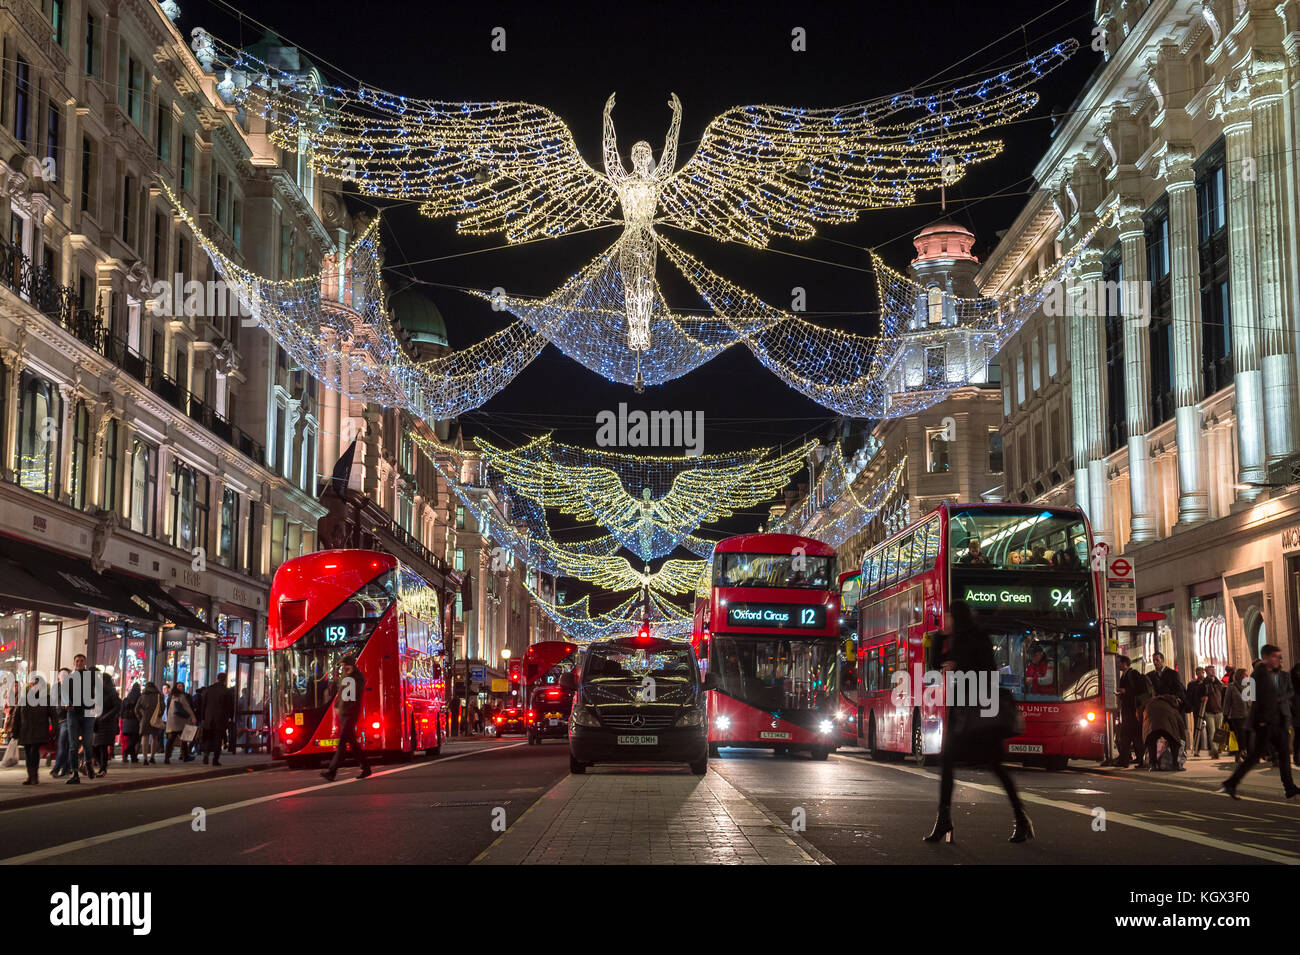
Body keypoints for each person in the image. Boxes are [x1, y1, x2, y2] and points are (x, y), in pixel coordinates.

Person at [924, 601, 1032, 844]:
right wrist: (940, 637)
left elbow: (987, 672)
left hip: (979, 716)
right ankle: (944, 820)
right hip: (965, 714)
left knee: (993, 766)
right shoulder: (958, 638)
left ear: (957, 617)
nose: (946, 622)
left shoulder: (975, 638)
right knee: (952, 763)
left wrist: (959, 668)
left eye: (949, 617)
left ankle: (1021, 820)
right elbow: (934, 665)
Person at [1220, 645, 1298, 800]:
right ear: (1267, 658)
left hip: (1278, 721)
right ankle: (1231, 783)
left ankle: (1289, 787)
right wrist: (1260, 720)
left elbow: (1288, 691)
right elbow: (1254, 699)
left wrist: (1281, 700)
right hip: (1265, 723)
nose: (1279, 659)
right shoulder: (1258, 675)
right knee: (1254, 757)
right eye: (1275, 656)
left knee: (1283, 754)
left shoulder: (1278, 674)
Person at [321, 655, 371, 782]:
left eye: (344, 665)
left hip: (351, 713)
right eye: (341, 665)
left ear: (351, 665)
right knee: (353, 743)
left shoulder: (357, 677)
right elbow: (341, 695)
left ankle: (332, 771)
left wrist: (349, 674)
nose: (342, 667)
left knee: (342, 743)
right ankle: (366, 768)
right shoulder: (345, 677)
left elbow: (354, 694)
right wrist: (337, 706)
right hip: (343, 714)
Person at [11, 675, 53, 785]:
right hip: (25, 731)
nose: (35, 686)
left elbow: (54, 716)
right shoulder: (23, 698)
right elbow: (17, 716)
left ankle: (34, 776)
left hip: (39, 730)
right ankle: (30, 776)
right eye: (33, 684)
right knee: (28, 754)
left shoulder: (47, 698)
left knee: (34, 752)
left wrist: (55, 731)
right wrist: (14, 731)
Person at [65, 654, 98, 784]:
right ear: (74, 663)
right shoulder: (69, 678)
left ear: (85, 663)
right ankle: (75, 774)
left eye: (82, 661)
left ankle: (88, 763)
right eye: (77, 661)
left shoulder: (91, 677)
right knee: (73, 746)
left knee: (87, 743)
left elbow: (97, 694)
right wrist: (67, 704)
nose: (79, 663)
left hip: (88, 713)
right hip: (73, 714)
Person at [1113, 656, 1151, 768]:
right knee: (1129, 735)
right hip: (1127, 708)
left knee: (1132, 735)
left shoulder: (1133, 674)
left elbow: (1140, 690)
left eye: (1119, 663)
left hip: (1133, 709)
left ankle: (1133, 760)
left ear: (1125, 664)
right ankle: (1129, 759)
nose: (1118, 665)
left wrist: (1125, 691)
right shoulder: (1124, 675)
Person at [1142, 693, 1186, 770]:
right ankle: (1175, 764)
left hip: (1150, 724)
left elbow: (1141, 715)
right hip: (1166, 726)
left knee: (1151, 743)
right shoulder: (1173, 707)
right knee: (1174, 742)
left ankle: (1153, 765)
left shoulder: (1152, 702)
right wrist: (1182, 740)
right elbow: (1181, 725)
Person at [91, 668, 120, 777]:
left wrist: (105, 717)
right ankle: (101, 766)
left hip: (107, 723)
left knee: (102, 746)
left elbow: (117, 707)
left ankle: (103, 768)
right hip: (97, 722)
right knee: (94, 746)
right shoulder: (97, 692)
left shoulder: (112, 692)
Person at [202, 673, 235, 767]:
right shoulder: (227, 691)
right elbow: (230, 706)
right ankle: (215, 759)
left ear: (217, 678)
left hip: (209, 718)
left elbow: (203, 704)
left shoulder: (208, 689)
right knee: (218, 739)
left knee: (208, 737)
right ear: (225, 679)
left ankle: (206, 753)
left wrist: (203, 717)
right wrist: (230, 718)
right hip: (221, 719)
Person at [164, 681, 198, 763]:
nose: (181, 687)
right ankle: (185, 756)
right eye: (179, 686)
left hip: (173, 721)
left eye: (182, 686)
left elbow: (168, 709)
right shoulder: (181, 696)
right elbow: (187, 707)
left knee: (172, 739)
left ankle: (167, 757)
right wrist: (193, 717)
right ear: (176, 687)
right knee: (184, 738)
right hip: (180, 721)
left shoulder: (171, 696)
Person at [1194, 666, 1223, 759]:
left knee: (1219, 732)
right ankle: (1214, 750)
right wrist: (1202, 698)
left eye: (1213, 670)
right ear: (1206, 672)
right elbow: (1199, 694)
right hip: (1209, 711)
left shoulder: (1217, 682)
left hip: (1219, 710)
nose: (1213, 672)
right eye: (1210, 670)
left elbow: (1221, 690)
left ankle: (1217, 748)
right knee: (1212, 731)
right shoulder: (1204, 683)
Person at [49, 668, 72, 778]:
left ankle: (57, 769)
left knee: (64, 745)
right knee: (64, 745)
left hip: (68, 719)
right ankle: (65, 769)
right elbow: (54, 703)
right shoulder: (56, 687)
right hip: (61, 719)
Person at [1222, 669, 1250, 764]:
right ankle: (1240, 754)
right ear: (1240, 676)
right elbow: (1227, 701)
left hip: (1248, 715)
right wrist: (1225, 715)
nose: (1247, 677)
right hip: (1236, 715)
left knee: (1248, 735)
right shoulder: (1231, 687)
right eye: (1245, 675)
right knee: (1240, 735)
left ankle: (1244, 753)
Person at [136, 681, 164, 764]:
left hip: (145, 719)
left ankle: (145, 758)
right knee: (154, 737)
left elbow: (136, 708)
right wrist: (159, 715)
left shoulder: (143, 696)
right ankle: (152, 756)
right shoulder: (159, 696)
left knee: (145, 737)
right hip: (155, 719)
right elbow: (162, 707)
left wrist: (140, 717)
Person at [119, 682, 141, 763]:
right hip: (135, 721)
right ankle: (126, 752)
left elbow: (121, 712)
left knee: (131, 740)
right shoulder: (139, 698)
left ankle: (133, 757)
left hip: (126, 722)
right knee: (134, 740)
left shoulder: (126, 699)